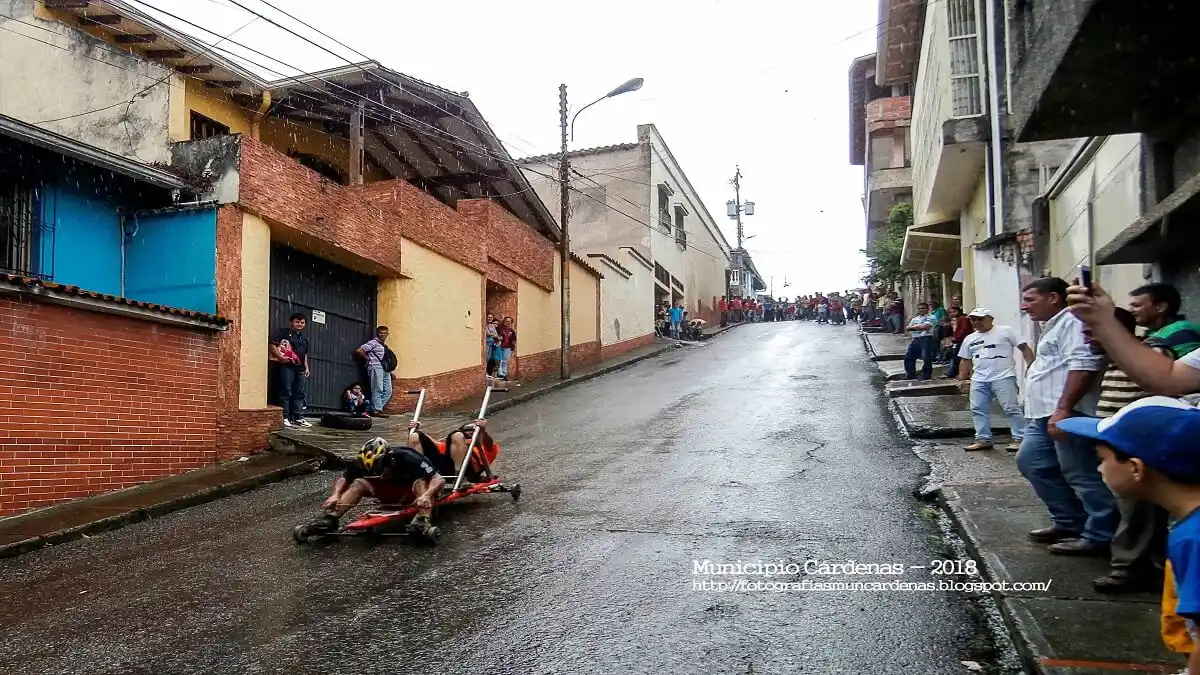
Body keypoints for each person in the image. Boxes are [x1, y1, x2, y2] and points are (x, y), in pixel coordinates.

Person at [1055, 396, 1200, 675]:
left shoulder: (1193, 539)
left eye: (1102, 459)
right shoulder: (1186, 524)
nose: (1098, 469)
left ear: (1135, 468)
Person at [1017, 277, 1115, 556]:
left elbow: (1084, 366)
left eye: (1030, 299)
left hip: (1066, 412)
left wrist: (1063, 409)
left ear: (1053, 298)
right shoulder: (1054, 325)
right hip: (1043, 413)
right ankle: (1070, 521)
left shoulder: (1073, 321)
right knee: (1032, 463)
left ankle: (1100, 535)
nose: (1025, 306)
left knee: (1082, 474)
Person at [1086, 307, 1167, 593]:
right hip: (1117, 440)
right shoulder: (1114, 360)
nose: (1088, 339)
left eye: (1092, 331)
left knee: (1135, 508)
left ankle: (1128, 568)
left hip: (1136, 443)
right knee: (1129, 507)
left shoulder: (1145, 357)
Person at [303, 437, 446, 535]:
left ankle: (423, 520)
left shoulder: (407, 456)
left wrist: (427, 495)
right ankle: (330, 518)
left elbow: (438, 479)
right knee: (358, 483)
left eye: (379, 469)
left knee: (420, 482)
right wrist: (336, 494)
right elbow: (344, 478)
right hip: (385, 491)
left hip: (412, 493)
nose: (379, 473)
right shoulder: (361, 462)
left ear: (388, 459)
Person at [955, 308, 1033, 451]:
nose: (977, 322)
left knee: (1010, 408)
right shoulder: (969, 339)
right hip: (979, 378)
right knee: (978, 409)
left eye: (980, 319)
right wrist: (962, 379)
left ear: (990, 319)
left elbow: (1024, 348)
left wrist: (1031, 366)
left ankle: (1020, 438)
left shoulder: (1005, 331)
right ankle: (983, 439)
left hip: (1004, 376)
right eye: (973, 319)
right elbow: (965, 360)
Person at [409, 418, 500, 482]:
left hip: (468, 472)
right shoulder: (454, 443)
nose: (472, 431)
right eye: (468, 430)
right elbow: (428, 440)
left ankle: (459, 476)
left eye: (475, 430)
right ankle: (417, 476)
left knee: (457, 436)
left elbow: (489, 444)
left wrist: (483, 430)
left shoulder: (484, 446)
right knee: (416, 436)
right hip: (445, 469)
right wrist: (415, 429)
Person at [270, 313, 311, 428]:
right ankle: (285, 417)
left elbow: (305, 354)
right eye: (297, 322)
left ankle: (298, 417)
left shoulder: (304, 339)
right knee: (286, 391)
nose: (299, 324)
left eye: (302, 322)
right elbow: (272, 346)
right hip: (286, 366)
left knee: (299, 393)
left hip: (300, 368)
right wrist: (281, 358)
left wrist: (306, 367)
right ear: (291, 322)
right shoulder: (282, 332)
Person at [355, 326, 394, 418]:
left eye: (385, 333)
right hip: (375, 368)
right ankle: (376, 410)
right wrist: (368, 359)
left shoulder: (383, 345)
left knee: (388, 391)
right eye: (381, 333)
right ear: (377, 333)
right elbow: (359, 350)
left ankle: (376, 408)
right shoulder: (373, 343)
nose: (383, 335)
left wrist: (390, 371)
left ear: (387, 334)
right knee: (377, 389)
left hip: (385, 370)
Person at [903, 302, 938, 380]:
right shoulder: (915, 318)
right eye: (919, 308)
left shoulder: (932, 317)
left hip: (927, 338)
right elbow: (908, 328)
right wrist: (918, 326)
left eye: (923, 308)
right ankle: (910, 374)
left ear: (927, 309)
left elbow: (926, 327)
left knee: (926, 358)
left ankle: (926, 375)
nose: (921, 310)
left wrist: (914, 327)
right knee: (909, 357)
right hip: (916, 339)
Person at [944, 306, 973, 378]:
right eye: (950, 312)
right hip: (957, 340)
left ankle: (954, 373)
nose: (952, 314)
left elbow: (964, 329)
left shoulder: (963, 319)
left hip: (961, 340)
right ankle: (953, 372)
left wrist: (956, 337)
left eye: (954, 312)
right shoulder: (956, 320)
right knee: (955, 357)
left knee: (957, 357)